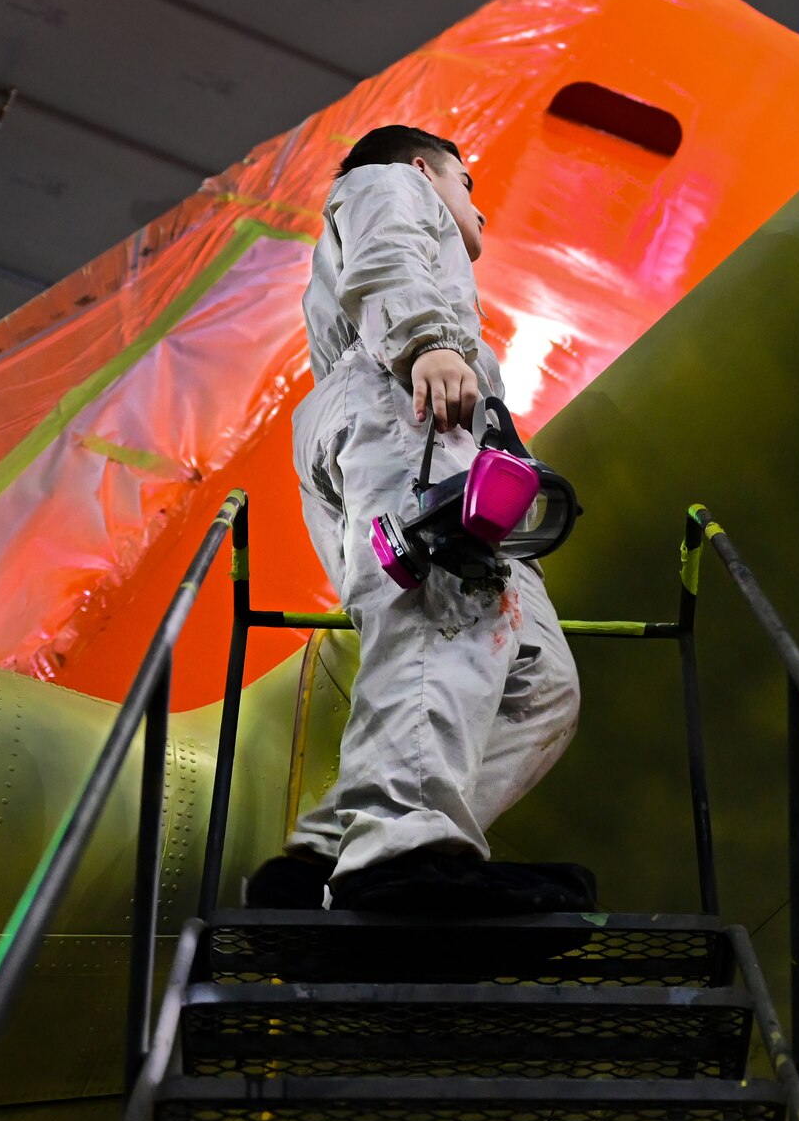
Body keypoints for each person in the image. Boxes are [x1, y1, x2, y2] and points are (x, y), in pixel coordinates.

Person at [245, 125, 588, 914]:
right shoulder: (390, 184)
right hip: (403, 408)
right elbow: (387, 248)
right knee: (443, 621)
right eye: (468, 186)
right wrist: (426, 344)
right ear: (425, 168)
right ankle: (402, 855)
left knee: (539, 682)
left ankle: (330, 857)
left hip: (420, 432)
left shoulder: (417, 228)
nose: (481, 212)